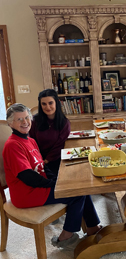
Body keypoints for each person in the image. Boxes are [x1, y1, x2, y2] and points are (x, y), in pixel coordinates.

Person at [3, 103, 102, 249]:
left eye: (26, 118)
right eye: (19, 119)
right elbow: (27, 176)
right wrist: (52, 184)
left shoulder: (30, 140)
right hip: (27, 193)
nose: (25, 122)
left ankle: (93, 228)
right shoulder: (13, 145)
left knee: (80, 186)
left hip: (37, 186)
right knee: (76, 193)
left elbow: (42, 166)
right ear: (10, 123)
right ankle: (66, 237)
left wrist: (55, 180)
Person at [29, 89, 70, 175]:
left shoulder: (64, 122)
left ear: (56, 103)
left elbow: (59, 145)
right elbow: (31, 142)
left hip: (57, 160)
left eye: (50, 103)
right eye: (44, 104)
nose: (47, 107)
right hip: (37, 161)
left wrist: (46, 160)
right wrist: (39, 160)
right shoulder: (34, 121)